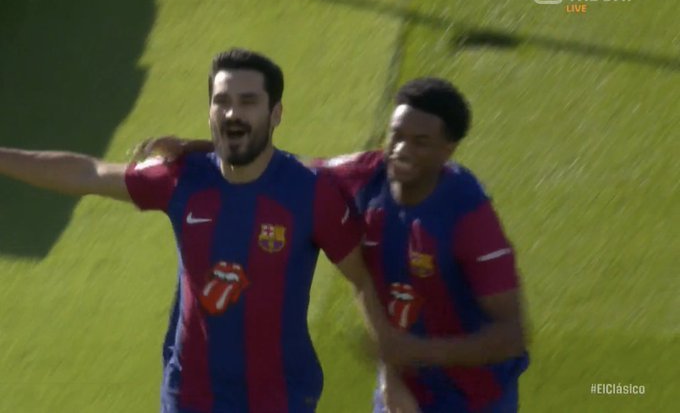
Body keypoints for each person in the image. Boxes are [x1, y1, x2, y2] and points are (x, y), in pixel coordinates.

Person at [0, 48, 408, 413]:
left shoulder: (311, 194)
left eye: (248, 102)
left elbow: (362, 280)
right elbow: (88, 173)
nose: (232, 113)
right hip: (191, 395)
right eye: (222, 101)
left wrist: (390, 374)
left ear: (276, 113)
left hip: (279, 397)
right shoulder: (181, 177)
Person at [145, 77, 530, 412]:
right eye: (396, 135)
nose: (401, 150)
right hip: (402, 386)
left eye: (421, 142)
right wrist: (196, 150)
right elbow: (279, 172)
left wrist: (413, 352)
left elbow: (512, 335)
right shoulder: (364, 177)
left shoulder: (469, 216)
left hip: (475, 397)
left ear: (448, 149)